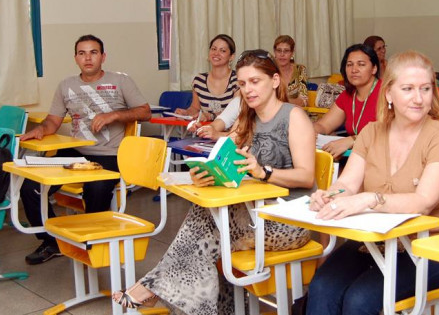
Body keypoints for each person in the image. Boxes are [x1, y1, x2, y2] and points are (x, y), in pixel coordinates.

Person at [112, 49, 315, 313]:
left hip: (288, 221)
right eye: (242, 84)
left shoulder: (293, 117)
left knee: (208, 231)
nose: (248, 90)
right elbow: (226, 163)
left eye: (255, 81)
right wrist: (206, 173)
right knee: (207, 221)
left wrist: (264, 172)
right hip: (252, 212)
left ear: (275, 81)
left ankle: (154, 287)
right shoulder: (247, 119)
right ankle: (164, 291)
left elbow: (306, 175)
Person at [305, 51, 439, 315]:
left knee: (360, 299)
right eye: (408, 89)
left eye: (425, 89)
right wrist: (331, 194)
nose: (419, 98)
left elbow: (423, 202)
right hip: (377, 242)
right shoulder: (371, 132)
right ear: (389, 93)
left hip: (430, 249)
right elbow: (348, 183)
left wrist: (371, 199)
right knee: (322, 285)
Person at [19, 35, 151, 265]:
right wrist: (41, 130)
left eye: (93, 52)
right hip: (75, 152)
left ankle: (89, 242)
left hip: (110, 154)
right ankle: (52, 241)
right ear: (75, 58)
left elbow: (145, 112)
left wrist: (115, 114)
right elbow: (53, 121)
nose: (88, 58)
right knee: (30, 187)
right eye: (82, 53)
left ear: (103, 56)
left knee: (97, 188)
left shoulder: (121, 81)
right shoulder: (66, 85)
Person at [314, 44, 382, 159]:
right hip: (356, 160)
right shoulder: (348, 95)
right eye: (349, 65)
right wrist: (311, 131)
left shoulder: (387, 92)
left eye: (361, 64)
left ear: (374, 68)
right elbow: (324, 125)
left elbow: (390, 132)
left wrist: (352, 140)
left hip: (381, 161)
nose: (354, 70)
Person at [176, 34, 238, 121]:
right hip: (205, 132)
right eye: (213, 49)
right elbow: (195, 108)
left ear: (231, 57)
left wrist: (210, 116)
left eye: (222, 51)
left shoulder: (238, 80)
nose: (216, 53)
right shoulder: (199, 80)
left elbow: (237, 111)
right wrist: (186, 113)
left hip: (231, 133)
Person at [274, 35, 309, 107]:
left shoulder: (300, 69)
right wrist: (294, 100)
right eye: (279, 50)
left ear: (292, 53)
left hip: (296, 113)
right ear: (274, 52)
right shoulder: (269, 70)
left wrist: (280, 100)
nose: (282, 54)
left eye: (286, 51)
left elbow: (305, 102)